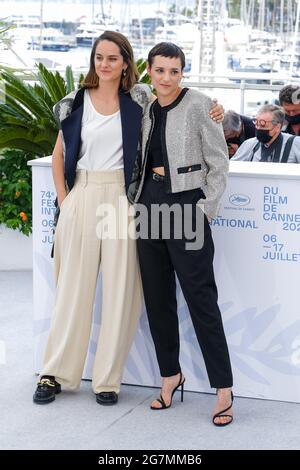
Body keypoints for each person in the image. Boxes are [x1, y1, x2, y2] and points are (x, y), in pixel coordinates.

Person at [33, 32, 224, 406]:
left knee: (122, 293)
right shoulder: (73, 103)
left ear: (126, 64)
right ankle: (53, 373)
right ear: (93, 61)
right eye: (99, 58)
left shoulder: (138, 100)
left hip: (123, 200)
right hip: (82, 196)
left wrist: (217, 108)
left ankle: (107, 380)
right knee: (73, 290)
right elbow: (59, 155)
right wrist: (65, 199)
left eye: (113, 59)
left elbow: (176, 97)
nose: (104, 64)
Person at [133, 43, 234, 426]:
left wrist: (205, 210)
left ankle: (223, 388)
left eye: (174, 71)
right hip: (148, 206)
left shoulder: (200, 104)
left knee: (201, 300)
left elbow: (219, 162)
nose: (167, 78)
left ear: (182, 72)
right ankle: (169, 375)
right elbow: (101, 90)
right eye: (160, 70)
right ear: (149, 70)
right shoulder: (142, 99)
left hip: (187, 205)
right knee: (158, 300)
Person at [232, 104, 300, 163]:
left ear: (277, 127)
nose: (258, 128)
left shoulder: (295, 143)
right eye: (256, 123)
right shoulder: (249, 144)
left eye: (263, 125)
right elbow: (232, 167)